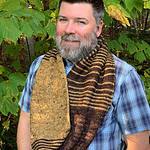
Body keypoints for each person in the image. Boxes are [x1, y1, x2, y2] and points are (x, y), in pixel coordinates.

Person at [17, 0, 150, 149]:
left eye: (80, 22)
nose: (69, 29)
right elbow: (26, 121)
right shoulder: (41, 65)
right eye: (63, 20)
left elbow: (140, 145)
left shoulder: (123, 77)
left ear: (98, 28)